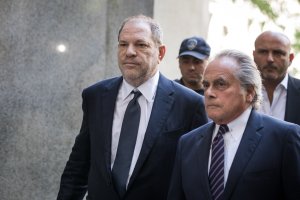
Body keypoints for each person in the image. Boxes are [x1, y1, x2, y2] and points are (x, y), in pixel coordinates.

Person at [57, 14, 208, 200]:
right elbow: (78, 167)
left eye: (141, 44)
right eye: (123, 44)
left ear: (160, 53)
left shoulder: (190, 105)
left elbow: (196, 180)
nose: (129, 52)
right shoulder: (95, 96)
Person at [167, 49, 300, 200]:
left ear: (249, 92)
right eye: (206, 85)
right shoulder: (188, 143)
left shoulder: (284, 137)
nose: (209, 93)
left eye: (220, 84)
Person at [253, 30, 300, 125]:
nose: (270, 59)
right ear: (254, 56)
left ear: (290, 59)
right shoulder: (240, 91)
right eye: (263, 52)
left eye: (278, 53)